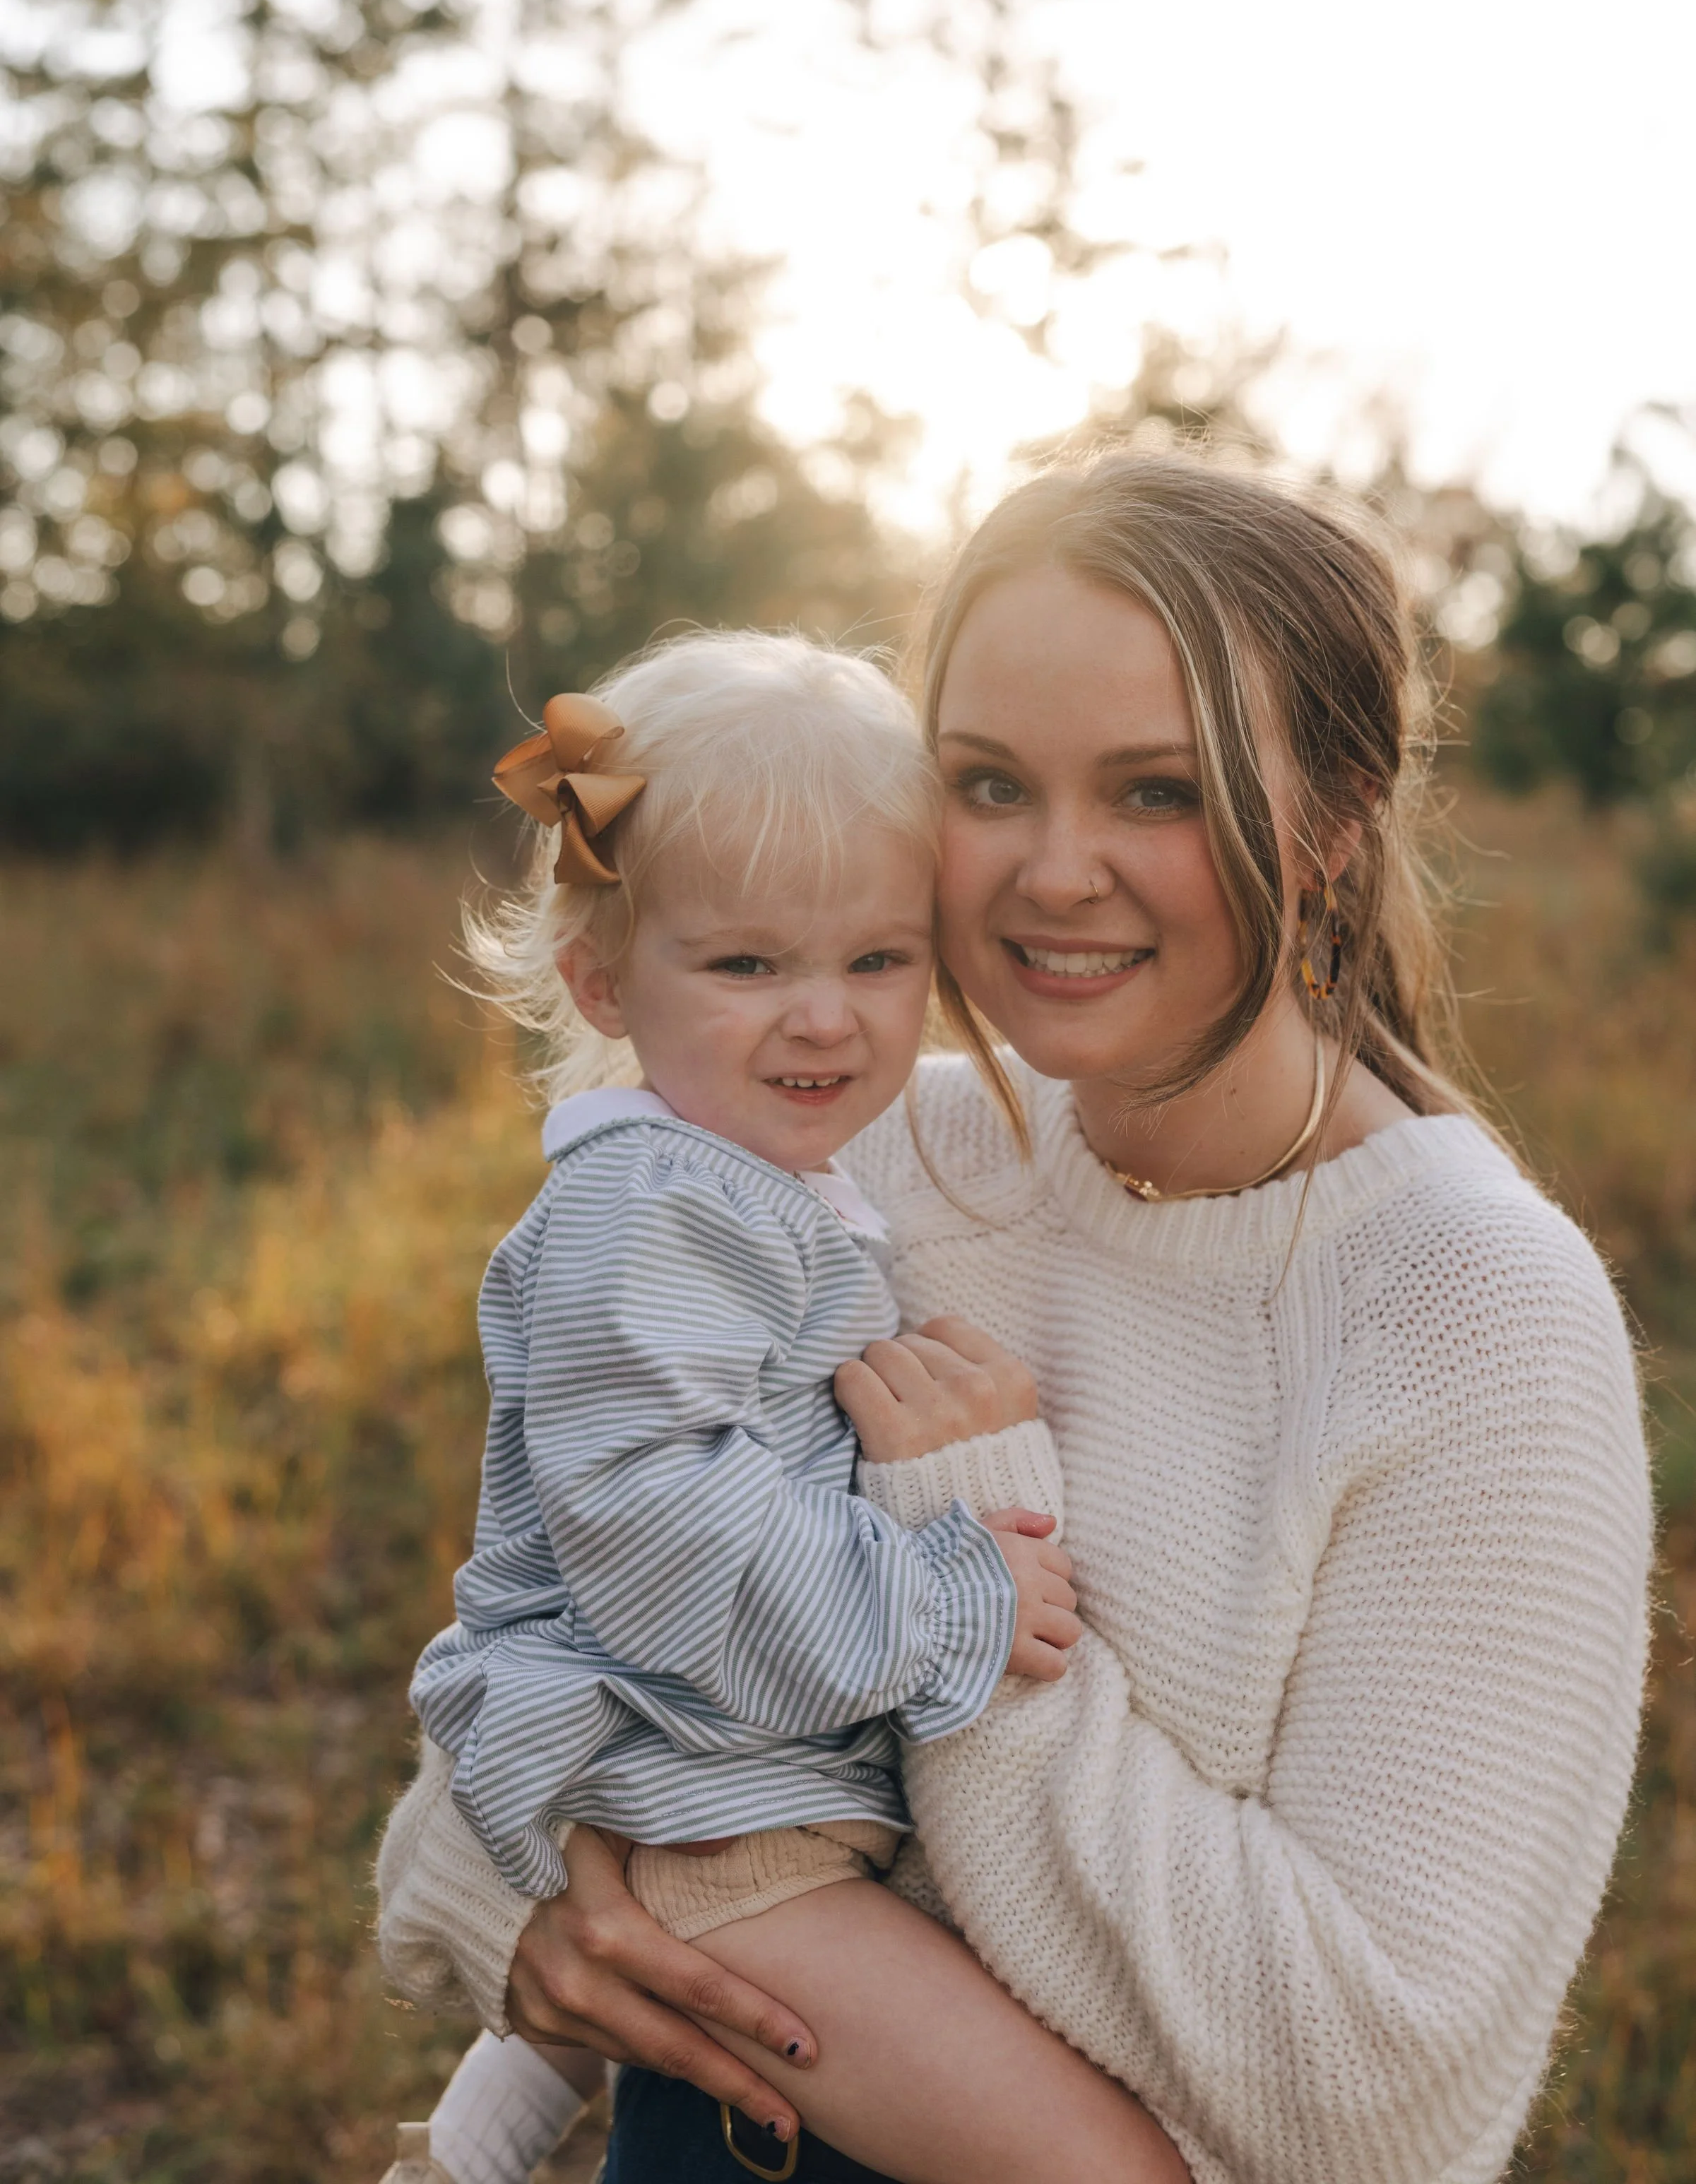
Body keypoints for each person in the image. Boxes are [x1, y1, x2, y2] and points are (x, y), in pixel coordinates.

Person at [379, 456, 1651, 2184]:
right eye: (990, 784)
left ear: (1338, 817)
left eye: (1156, 792)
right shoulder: (882, 1144)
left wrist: (972, 1566)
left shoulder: (1470, 1312)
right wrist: (517, 1905)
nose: (1057, 873)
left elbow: (1379, 2093)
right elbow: (599, 1583)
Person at [376, 629, 1186, 2184]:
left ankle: (460, 2152)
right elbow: (663, 1526)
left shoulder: (760, 1177)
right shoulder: (662, 1208)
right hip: (709, 1818)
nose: (825, 1019)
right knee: (1098, 2168)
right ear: (601, 979)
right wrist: (945, 1597)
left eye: (877, 961)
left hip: (722, 1777)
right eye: (749, 965)